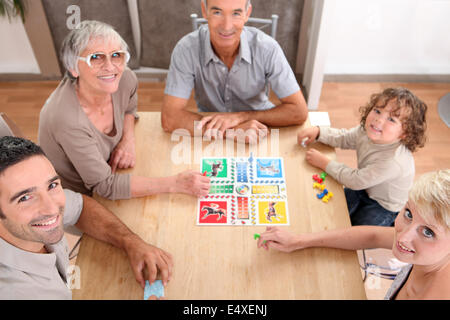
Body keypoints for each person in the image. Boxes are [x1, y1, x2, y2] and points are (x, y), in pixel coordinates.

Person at [38, 20, 210, 200]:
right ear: (73, 68)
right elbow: (104, 186)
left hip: (112, 173)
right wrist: (175, 183)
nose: (111, 67)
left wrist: (127, 140)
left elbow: (129, 106)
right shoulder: (66, 120)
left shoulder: (125, 79)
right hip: (75, 197)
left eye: (116, 55)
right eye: (95, 57)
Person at [0, 136, 173, 299]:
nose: (52, 208)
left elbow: (80, 207)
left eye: (52, 185)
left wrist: (130, 242)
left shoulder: (33, 219)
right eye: (25, 198)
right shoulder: (14, 292)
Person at [257, 170, 450, 299]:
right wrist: (299, 240)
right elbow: (371, 236)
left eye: (428, 232)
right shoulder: (430, 258)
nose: (403, 236)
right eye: (408, 214)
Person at [161, 0, 308, 142]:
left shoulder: (268, 49)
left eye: (236, 13)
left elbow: (299, 111)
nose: (226, 26)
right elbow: (170, 118)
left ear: (247, 12)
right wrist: (233, 131)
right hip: (211, 132)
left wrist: (241, 117)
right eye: (217, 12)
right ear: (204, 11)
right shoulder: (185, 50)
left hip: (259, 128)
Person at [297, 87, 427, 226]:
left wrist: (325, 163)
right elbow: (345, 137)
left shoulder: (393, 162)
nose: (378, 120)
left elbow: (355, 180)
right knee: (334, 211)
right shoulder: (366, 130)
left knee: (354, 232)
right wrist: (319, 132)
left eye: (391, 119)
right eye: (377, 111)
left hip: (383, 206)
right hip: (365, 186)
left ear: (404, 133)